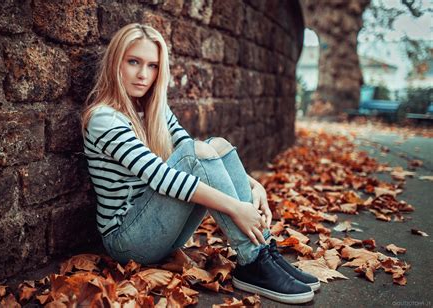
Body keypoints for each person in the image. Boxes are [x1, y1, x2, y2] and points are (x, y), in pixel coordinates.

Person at [81, 23, 320, 304]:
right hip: (127, 241)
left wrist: (255, 185)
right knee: (196, 154)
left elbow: (197, 150)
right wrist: (236, 208)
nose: (143, 74)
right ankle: (253, 260)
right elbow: (164, 175)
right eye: (133, 62)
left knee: (216, 145)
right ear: (115, 62)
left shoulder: (152, 109)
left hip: (160, 233)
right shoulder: (104, 119)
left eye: (153, 66)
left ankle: (262, 249)